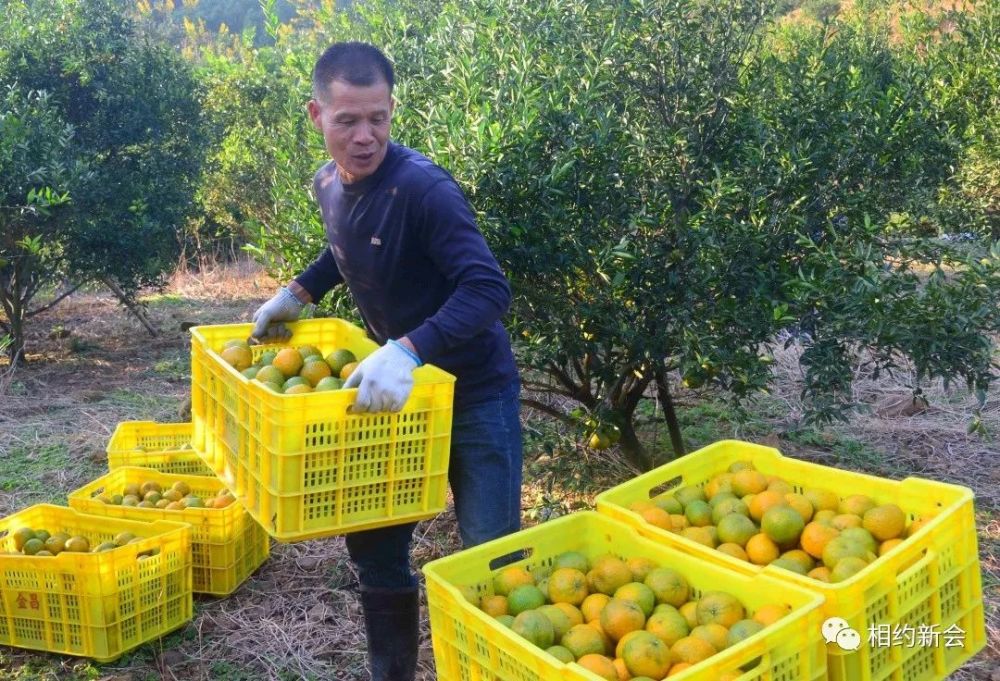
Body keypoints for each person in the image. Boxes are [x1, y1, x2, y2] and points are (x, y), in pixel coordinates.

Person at [250, 42, 523, 681]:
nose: (365, 136)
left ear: (392, 110)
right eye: (347, 120)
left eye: (378, 118)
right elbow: (346, 248)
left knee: (489, 559)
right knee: (375, 546)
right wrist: (299, 292)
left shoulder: (423, 189)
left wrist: (408, 348)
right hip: (393, 399)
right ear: (316, 115)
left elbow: (488, 288)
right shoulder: (328, 184)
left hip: (474, 395)